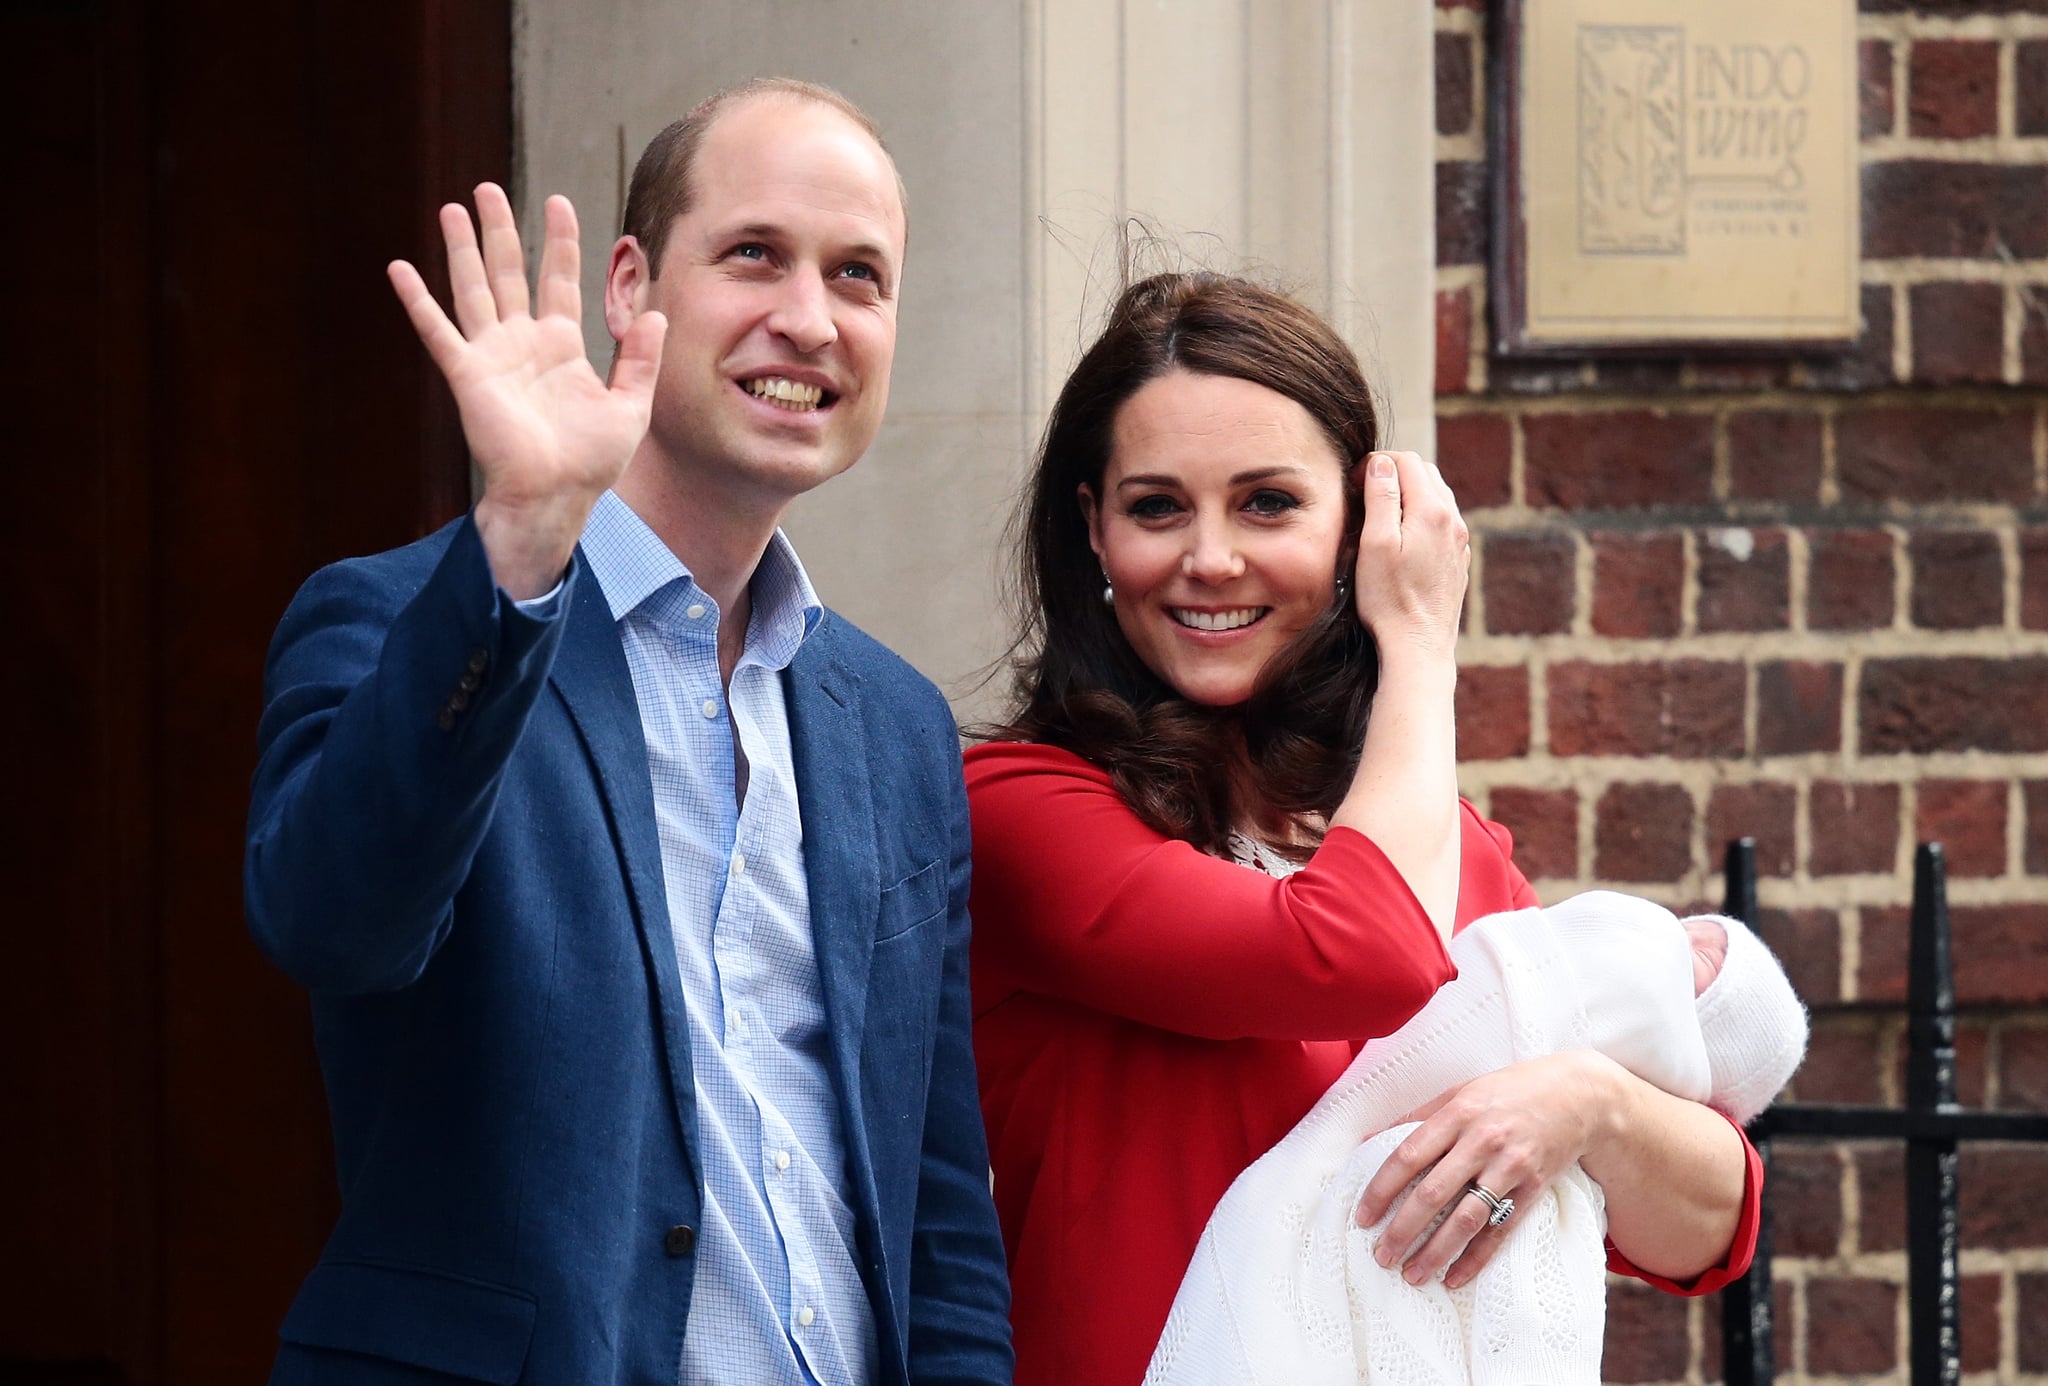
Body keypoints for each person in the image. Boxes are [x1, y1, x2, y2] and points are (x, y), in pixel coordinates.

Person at [243, 79, 1011, 1385]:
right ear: (630, 285)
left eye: (859, 275)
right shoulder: (405, 623)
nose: (809, 318)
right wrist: (522, 550)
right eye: (754, 254)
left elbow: (937, 1213)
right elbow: (335, 922)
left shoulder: (893, 727)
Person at [966, 270, 1763, 1386]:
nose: (1209, 558)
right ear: (1092, 528)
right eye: (1156, 507)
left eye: (1265, 503)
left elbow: (1706, 1225)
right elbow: (1352, 950)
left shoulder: (1438, 843)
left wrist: (1583, 1105)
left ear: (1355, 523)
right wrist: (1419, 648)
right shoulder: (1021, 807)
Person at [1150, 892, 1808, 1385]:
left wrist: (1592, 1100)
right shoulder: (1068, 809)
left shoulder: (1469, 850)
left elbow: (1725, 1213)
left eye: (1702, 963)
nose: (1675, 942)